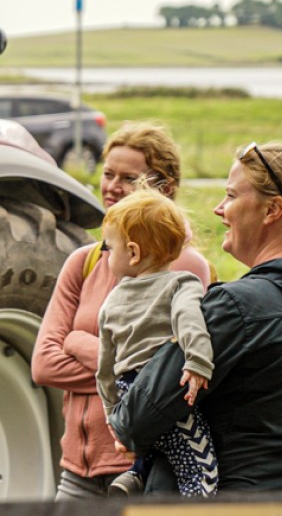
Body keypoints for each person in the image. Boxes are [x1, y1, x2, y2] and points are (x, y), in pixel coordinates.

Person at [31, 122, 212, 500]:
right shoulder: (83, 261)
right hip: (76, 470)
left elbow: (167, 373)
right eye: (108, 173)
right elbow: (44, 365)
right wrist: (128, 371)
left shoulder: (183, 267)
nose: (112, 186)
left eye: (128, 178)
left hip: (140, 468)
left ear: (163, 189)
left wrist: (77, 343)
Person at [111, 141, 282, 493]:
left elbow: (136, 417)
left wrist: (121, 419)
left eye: (231, 195)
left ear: (272, 209)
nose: (219, 209)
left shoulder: (234, 309)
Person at [96, 188, 216, 497]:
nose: (106, 255)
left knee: (157, 442)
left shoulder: (111, 301)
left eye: (109, 247)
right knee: (199, 467)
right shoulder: (181, 282)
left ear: (133, 253)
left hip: (128, 391)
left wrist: (114, 416)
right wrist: (198, 361)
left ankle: (136, 474)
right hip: (165, 389)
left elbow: (104, 368)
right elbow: (189, 319)